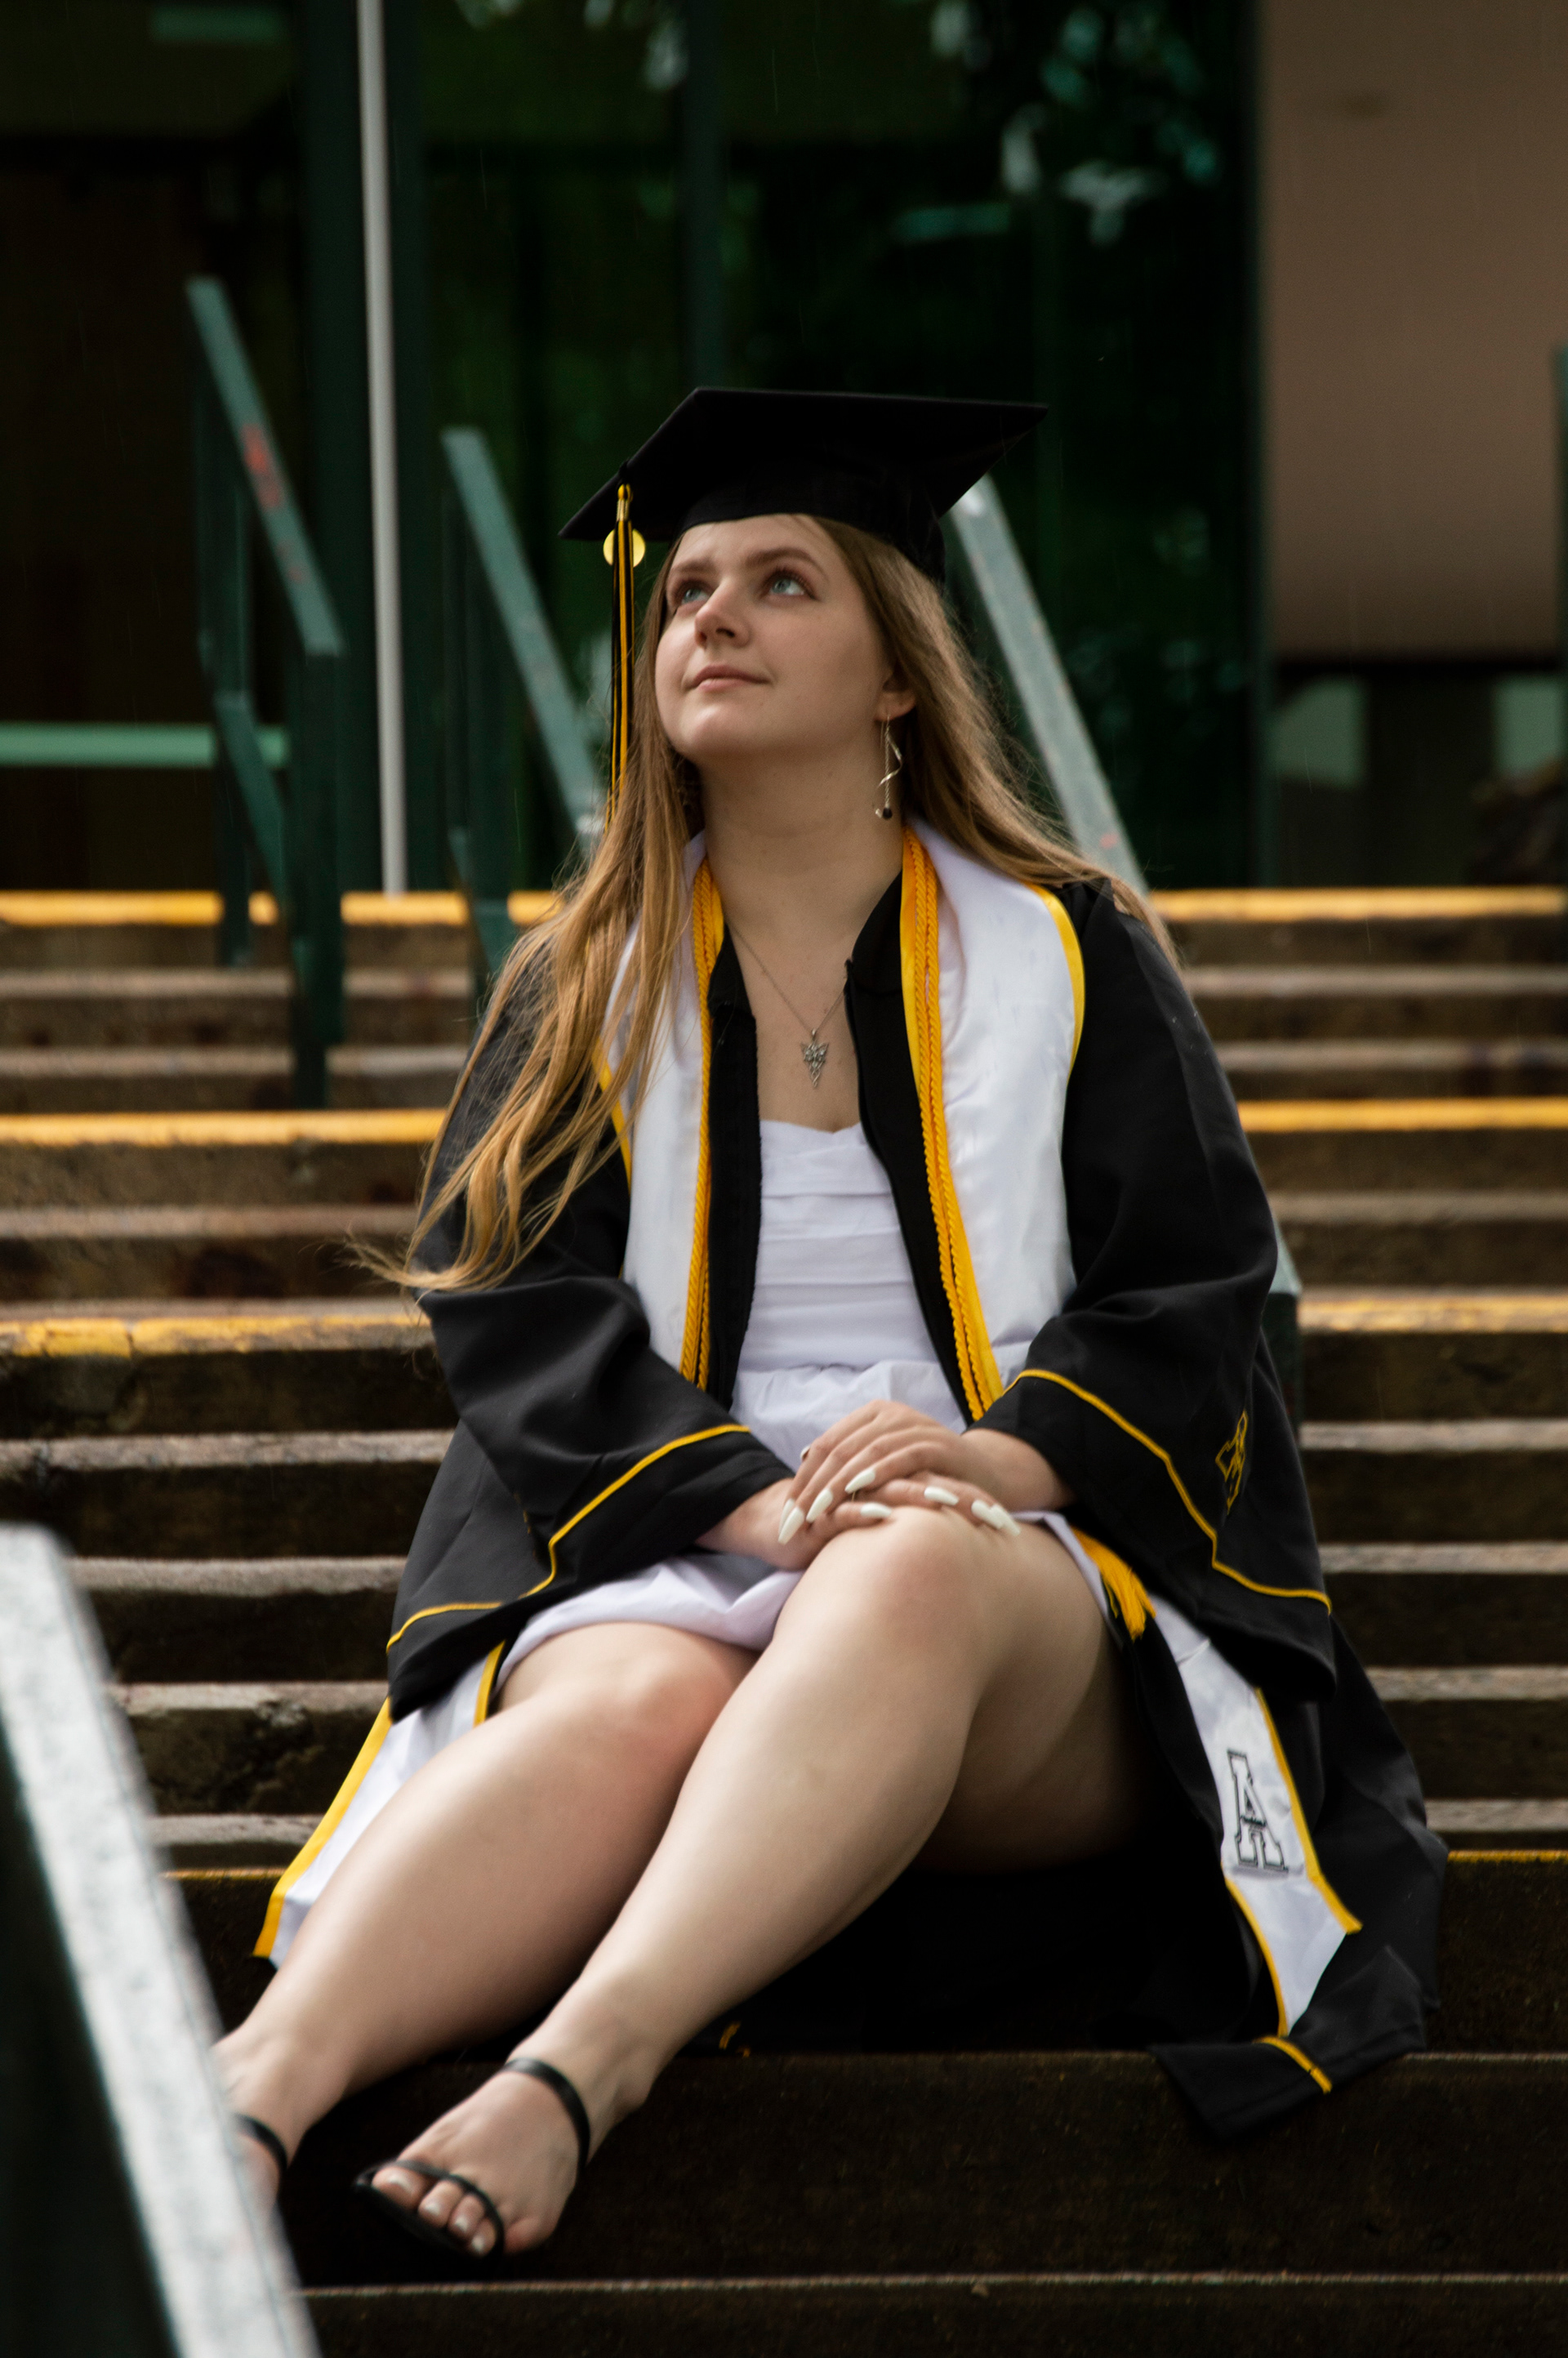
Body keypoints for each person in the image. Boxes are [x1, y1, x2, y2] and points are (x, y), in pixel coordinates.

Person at [216, 389, 1443, 2266]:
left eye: (781, 582)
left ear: (895, 676)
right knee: (633, 1699)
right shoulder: (585, 981)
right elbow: (518, 1309)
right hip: (684, 1529)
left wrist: (997, 1456)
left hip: (1017, 1577)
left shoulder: (1067, 950)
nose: (711, 614)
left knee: (904, 1566)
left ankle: (576, 2072)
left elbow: (1193, 1294)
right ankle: (242, 2101)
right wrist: (752, 1505)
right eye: (686, 589)